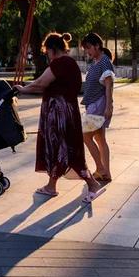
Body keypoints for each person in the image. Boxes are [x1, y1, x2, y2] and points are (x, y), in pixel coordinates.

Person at [13, 32, 105, 202]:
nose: (47, 55)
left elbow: (41, 83)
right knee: (60, 148)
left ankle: (92, 185)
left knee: (66, 148)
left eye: (47, 51)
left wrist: (23, 89)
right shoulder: (68, 63)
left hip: (60, 114)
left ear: (53, 49)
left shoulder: (61, 63)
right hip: (65, 112)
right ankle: (51, 185)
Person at [81, 32, 115, 183]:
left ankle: (100, 168)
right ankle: (106, 173)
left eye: (88, 48)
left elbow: (109, 85)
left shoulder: (104, 62)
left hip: (98, 105)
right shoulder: (96, 62)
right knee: (100, 139)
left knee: (85, 136)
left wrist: (109, 106)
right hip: (95, 104)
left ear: (97, 46)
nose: (87, 51)